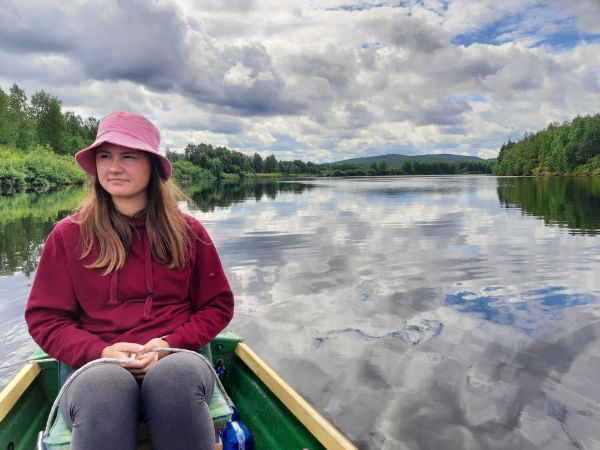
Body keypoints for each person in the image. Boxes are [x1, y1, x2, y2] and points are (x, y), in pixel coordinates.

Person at [25, 111, 234, 450]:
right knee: (103, 387)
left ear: (153, 166)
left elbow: (217, 305)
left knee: (175, 379)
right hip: (95, 366)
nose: (113, 167)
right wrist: (101, 351)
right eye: (104, 156)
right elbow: (46, 320)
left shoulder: (190, 233)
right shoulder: (67, 236)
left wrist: (169, 343)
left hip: (175, 356)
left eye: (128, 156)